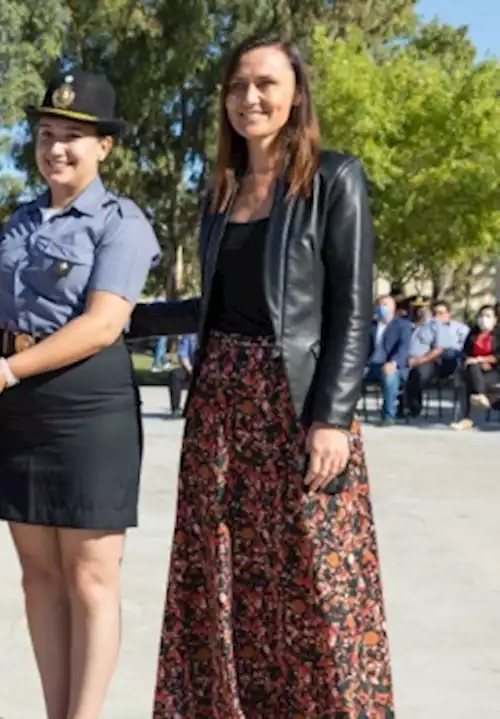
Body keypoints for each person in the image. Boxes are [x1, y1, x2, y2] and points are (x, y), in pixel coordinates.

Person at [129, 35, 394, 716]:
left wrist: (333, 416)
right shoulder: (218, 191)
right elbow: (213, 306)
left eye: (266, 84)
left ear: (296, 93)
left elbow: (351, 309)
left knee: (315, 583)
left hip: (297, 402)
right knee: (224, 574)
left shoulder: (334, 178)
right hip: (220, 404)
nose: (251, 97)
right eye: (238, 85)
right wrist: (120, 319)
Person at [0, 71, 159, 719]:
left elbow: (103, 323)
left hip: (86, 406)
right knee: (39, 576)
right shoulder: (15, 224)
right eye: (47, 135)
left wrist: (6, 373)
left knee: (91, 577)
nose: (57, 149)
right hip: (19, 406)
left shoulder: (121, 223)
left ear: (104, 146)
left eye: (74, 137)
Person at [404, 299, 465, 419]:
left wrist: (418, 361)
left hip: (429, 361)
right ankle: (400, 406)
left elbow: (439, 349)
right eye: (416, 309)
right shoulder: (405, 325)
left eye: (423, 309)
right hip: (405, 361)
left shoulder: (437, 326)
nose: (419, 312)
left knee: (419, 374)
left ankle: (413, 408)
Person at [365, 294, 413, 426]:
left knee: (389, 376)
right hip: (370, 365)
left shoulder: (403, 326)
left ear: (393, 308)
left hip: (391, 366)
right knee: (349, 374)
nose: (381, 308)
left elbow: (404, 348)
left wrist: (393, 362)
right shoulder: (370, 326)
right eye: (379, 305)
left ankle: (388, 416)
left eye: (385, 305)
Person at [449, 304, 498, 431]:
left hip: (493, 370)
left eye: (488, 316)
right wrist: (473, 361)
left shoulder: (498, 334)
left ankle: (469, 417)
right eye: (481, 316)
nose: (484, 319)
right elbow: (465, 353)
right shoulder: (473, 333)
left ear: (495, 319)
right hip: (474, 371)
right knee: (470, 372)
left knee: (468, 381)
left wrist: (483, 359)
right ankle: (481, 397)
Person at [167, 333, 196, 418]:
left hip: (209, 370)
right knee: (175, 374)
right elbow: (183, 354)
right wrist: (190, 369)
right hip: (190, 368)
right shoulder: (190, 335)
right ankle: (176, 409)